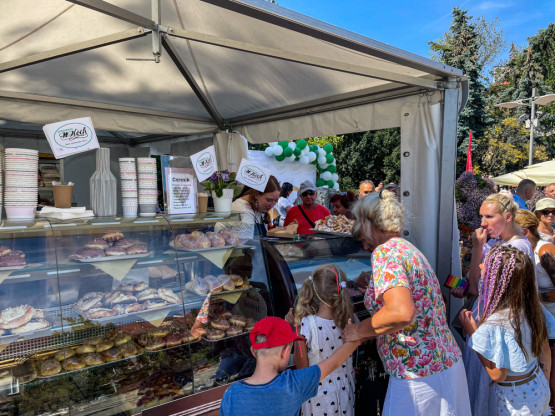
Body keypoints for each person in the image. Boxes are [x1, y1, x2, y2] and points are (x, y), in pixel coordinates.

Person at [342, 189, 470, 415]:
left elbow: (401, 312)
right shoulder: (407, 248)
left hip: (416, 374)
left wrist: (357, 331)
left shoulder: (385, 252)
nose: (364, 246)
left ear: (368, 223)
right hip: (443, 363)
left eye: (362, 237)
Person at [452, 193, 534, 416]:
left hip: (498, 323)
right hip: (484, 318)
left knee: (491, 381)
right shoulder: (494, 242)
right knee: (479, 382)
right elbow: (474, 286)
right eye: (481, 216)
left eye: (489, 216)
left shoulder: (519, 247)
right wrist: (478, 247)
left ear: (508, 217)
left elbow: (484, 290)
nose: (483, 223)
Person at [459, 246, 551, 415]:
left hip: (517, 402)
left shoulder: (497, 323)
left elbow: (497, 375)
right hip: (538, 386)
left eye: (486, 264)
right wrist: (542, 382)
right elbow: (545, 351)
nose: (480, 266)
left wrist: (474, 334)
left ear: (497, 279)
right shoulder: (533, 308)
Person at [219, 316, 361, 416]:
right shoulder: (293, 385)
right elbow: (335, 361)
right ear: (285, 351)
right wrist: (357, 336)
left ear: (253, 352)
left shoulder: (231, 394)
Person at [287, 264, 355, 416]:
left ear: (315, 292)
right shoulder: (350, 320)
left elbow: (302, 367)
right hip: (345, 393)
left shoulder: (307, 325)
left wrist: (296, 329)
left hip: (319, 397)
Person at [515, 208, 555, 408]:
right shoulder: (522, 252)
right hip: (536, 317)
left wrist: (531, 296)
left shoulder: (544, 250)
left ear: (525, 232)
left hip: (551, 319)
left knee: (551, 377)